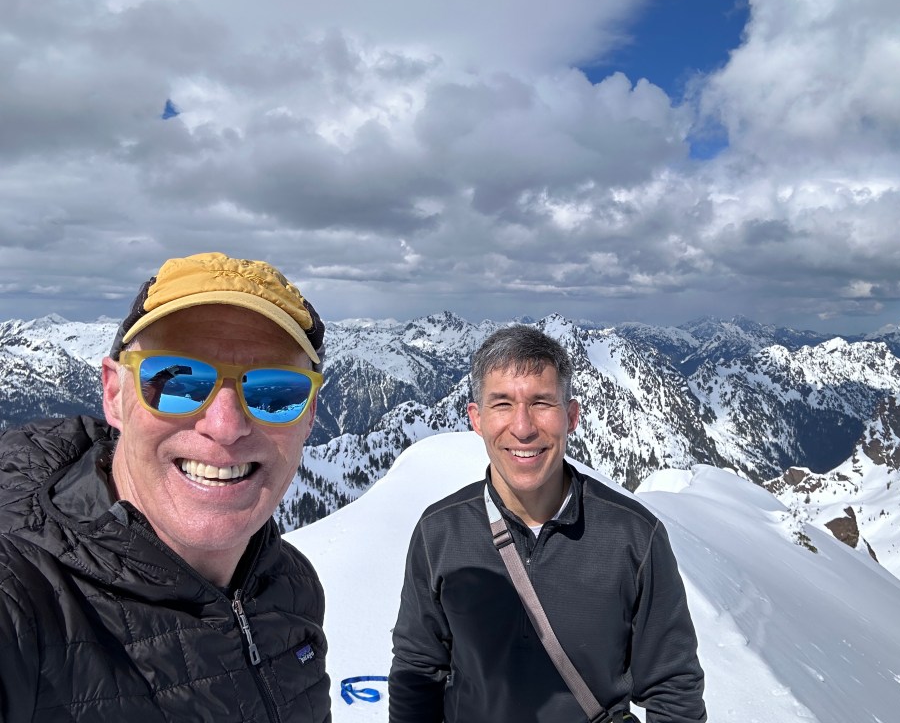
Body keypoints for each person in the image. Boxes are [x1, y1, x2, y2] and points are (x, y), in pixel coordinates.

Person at [0, 252, 332, 722]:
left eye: (276, 392)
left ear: (310, 414)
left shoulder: (291, 584)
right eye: (176, 382)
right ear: (115, 394)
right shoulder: (21, 598)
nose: (226, 426)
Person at [389, 325, 707, 723]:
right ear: (477, 419)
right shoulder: (439, 533)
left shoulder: (634, 539)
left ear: (571, 417)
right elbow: (418, 670)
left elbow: (674, 691)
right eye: (502, 404)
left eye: (541, 402)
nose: (522, 427)